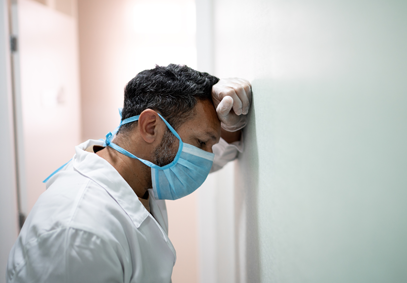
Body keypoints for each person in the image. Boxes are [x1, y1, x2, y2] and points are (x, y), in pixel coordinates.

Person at [6, 64, 252, 283]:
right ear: (150, 126)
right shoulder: (78, 232)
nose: (207, 157)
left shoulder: (140, 170)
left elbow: (218, 151)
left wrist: (231, 120)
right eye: (200, 144)